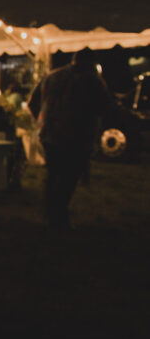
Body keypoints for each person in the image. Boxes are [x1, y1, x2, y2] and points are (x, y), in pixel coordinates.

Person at [28, 48, 115, 229]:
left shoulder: (51, 76)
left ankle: (51, 213)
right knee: (69, 176)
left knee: (53, 174)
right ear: (90, 64)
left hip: (49, 133)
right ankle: (59, 214)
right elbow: (105, 107)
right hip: (75, 135)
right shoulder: (91, 80)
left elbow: (32, 103)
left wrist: (43, 120)